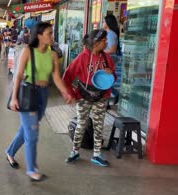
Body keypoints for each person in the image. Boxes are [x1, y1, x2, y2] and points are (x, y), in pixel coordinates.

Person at [6, 22, 74, 181]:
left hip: (43, 96)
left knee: (25, 130)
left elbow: (56, 77)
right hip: (28, 94)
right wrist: (14, 97)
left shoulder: (53, 54)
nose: (52, 36)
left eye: (52, 33)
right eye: (49, 33)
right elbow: (18, 75)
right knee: (32, 134)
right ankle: (32, 170)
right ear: (39, 36)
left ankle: (9, 152)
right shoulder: (27, 51)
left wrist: (65, 92)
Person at [63, 29, 115, 167]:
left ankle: (97, 154)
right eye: (104, 41)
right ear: (96, 43)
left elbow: (113, 78)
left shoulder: (107, 58)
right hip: (83, 96)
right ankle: (74, 151)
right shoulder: (82, 57)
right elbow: (67, 77)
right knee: (81, 124)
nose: (107, 43)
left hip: (101, 97)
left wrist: (111, 74)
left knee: (99, 126)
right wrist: (72, 94)